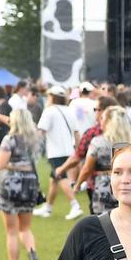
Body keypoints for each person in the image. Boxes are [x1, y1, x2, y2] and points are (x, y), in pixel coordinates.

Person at [0, 109, 43, 260]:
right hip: (30, 184)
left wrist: (15, 167)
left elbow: (0, 164)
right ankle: (32, 253)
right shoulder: (35, 139)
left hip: (12, 185)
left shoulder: (10, 139)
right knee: (26, 228)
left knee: (12, 232)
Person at [33, 85, 83, 219]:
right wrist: (78, 150)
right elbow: (76, 132)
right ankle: (48, 208)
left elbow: (41, 131)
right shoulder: (68, 110)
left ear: (52, 97)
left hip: (55, 152)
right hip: (68, 150)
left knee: (60, 177)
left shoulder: (49, 111)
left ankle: (75, 206)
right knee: (53, 179)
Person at [77, 107, 131, 215]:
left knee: (103, 224)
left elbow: (87, 168)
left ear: (109, 122)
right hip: (129, 184)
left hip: (105, 186)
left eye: (102, 119)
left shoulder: (98, 142)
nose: (100, 122)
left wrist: (78, 184)